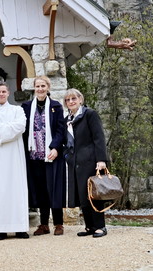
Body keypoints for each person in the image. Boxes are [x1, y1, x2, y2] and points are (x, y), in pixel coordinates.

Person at [0, 83, 30, 241]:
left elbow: (20, 127)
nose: (1, 94)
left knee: (17, 188)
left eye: (3, 91)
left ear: (8, 93)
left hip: (15, 156)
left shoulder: (17, 110)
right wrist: (8, 130)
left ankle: (20, 228)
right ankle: (0, 229)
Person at [22, 76, 67, 236]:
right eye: (37, 86)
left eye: (43, 86)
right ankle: (43, 224)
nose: (40, 89)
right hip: (34, 156)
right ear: (34, 88)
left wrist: (55, 148)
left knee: (54, 188)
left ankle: (58, 223)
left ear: (48, 88)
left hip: (51, 155)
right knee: (41, 190)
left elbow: (61, 130)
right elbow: (23, 129)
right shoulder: (26, 106)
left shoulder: (56, 106)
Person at [64, 88, 110, 238]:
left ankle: (100, 227)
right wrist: (67, 157)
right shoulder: (68, 119)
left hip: (91, 160)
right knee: (83, 195)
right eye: (68, 100)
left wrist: (101, 160)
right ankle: (89, 226)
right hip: (75, 162)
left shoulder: (89, 114)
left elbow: (99, 138)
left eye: (73, 99)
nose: (71, 102)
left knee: (94, 194)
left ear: (80, 100)